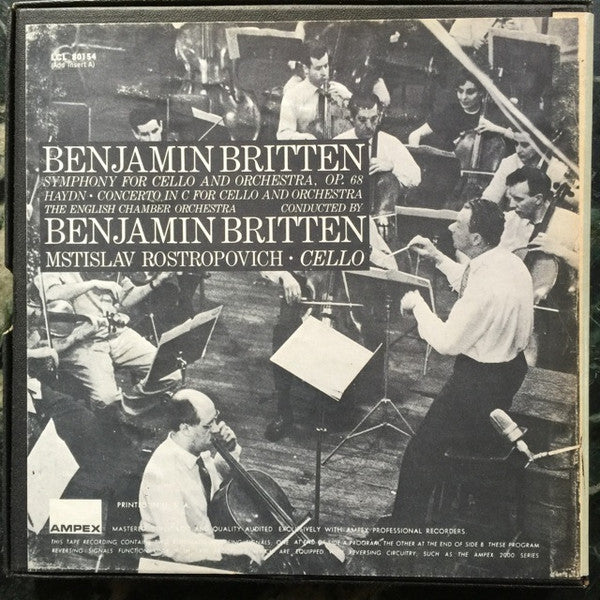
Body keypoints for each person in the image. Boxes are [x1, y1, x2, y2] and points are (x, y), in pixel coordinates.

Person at [387, 199, 533, 526]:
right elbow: (471, 281)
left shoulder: (485, 287)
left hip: (477, 384)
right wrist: (438, 258)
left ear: (476, 238)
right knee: (453, 442)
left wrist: (417, 305)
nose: (451, 227)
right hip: (509, 372)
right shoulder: (509, 263)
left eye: (459, 224)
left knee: (420, 454)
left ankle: (401, 532)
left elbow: (446, 343)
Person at [138, 389, 266, 566]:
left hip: (206, 538)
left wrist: (229, 451)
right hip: (174, 560)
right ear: (185, 428)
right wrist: (231, 548)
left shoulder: (194, 449)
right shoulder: (162, 475)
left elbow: (215, 485)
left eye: (215, 419)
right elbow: (177, 546)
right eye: (208, 425)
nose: (216, 429)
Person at [37, 272, 173, 411]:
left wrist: (155, 282)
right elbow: (50, 294)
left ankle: (131, 406)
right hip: (83, 342)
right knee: (107, 399)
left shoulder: (109, 267)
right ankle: (115, 412)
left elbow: (125, 298)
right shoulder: (61, 265)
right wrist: (94, 284)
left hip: (117, 334)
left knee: (172, 372)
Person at [408, 70, 508, 152]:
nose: (463, 97)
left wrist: (497, 129)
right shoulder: (451, 111)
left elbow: (516, 138)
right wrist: (415, 157)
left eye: (470, 92)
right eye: (460, 91)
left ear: (481, 93)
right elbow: (415, 135)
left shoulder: (491, 113)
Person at [277, 40, 352, 140]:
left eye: (326, 66)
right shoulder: (292, 95)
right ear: (306, 69)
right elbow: (283, 134)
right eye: (318, 68)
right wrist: (305, 138)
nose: (324, 73)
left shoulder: (339, 90)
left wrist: (350, 97)